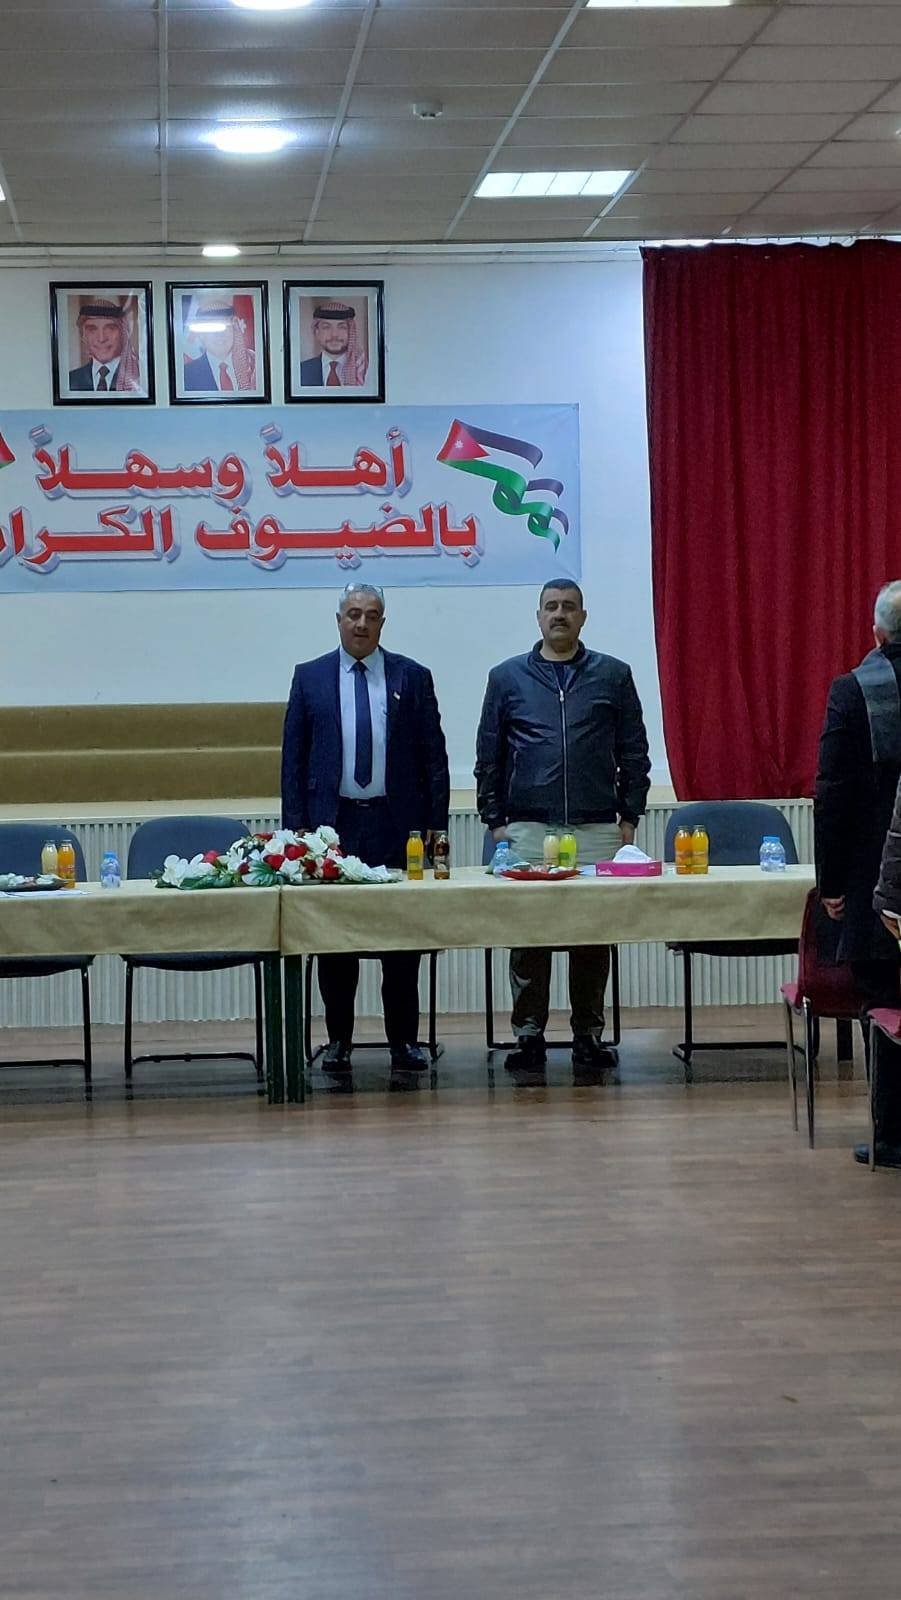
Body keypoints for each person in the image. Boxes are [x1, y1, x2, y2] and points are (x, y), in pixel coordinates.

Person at [475, 579, 651, 1070]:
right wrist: (496, 822)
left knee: (591, 936)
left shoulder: (613, 675)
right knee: (529, 936)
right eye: (551, 607)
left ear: (582, 617)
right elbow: (488, 755)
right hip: (529, 828)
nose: (559, 614)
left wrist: (629, 817)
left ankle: (588, 1035)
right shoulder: (507, 677)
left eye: (569, 607)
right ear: (538, 617)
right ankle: (528, 1035)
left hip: (596, 828)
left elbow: (634, 751)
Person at [281, 584, 449, 1072]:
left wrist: (436, 833)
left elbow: (434, 761)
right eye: (353, 614)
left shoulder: (411, 677)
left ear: (382, 623)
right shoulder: (310, 677)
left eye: (371, 616)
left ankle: (404, 1042)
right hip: (333, 828)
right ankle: (339, 1042)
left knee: (401, 940)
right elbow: (293, 765)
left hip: (396, 826)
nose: (361, 623)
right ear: (338, 620)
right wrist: (297, 838)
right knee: (337, 943)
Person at [815, 580, 901, 1166]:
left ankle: (892, 1136)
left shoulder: (853, 691)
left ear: (878, 634)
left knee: (886, 1002)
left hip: (880, 881)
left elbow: (832, 793)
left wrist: (833, 883)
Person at [68, 294, 144, 394]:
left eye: (110, 328)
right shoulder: (70, 380)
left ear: (123, 333)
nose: (101, 338)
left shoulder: (141, 377)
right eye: (92, 329)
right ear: (83, 336)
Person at [183, 292, 257, 393]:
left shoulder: (254, 365)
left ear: (234, 328)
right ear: (201, 334)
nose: (219, 335)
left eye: (225, 327)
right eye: (212, 328)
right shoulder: (187, 374)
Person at [299, 301, 368, 388]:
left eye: (341, 327)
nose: (334, 334)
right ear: (317, 332)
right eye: (326, 327)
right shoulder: (301, 370)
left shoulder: (363, 370)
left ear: (350, 332)